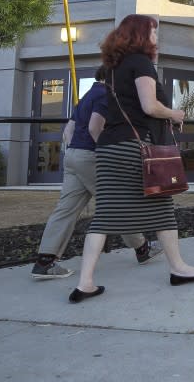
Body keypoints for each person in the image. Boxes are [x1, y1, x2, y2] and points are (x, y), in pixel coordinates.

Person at [68, 15, 194, 303]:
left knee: (104, 216)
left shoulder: (111, 69)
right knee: (162, 206)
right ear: (142, 34)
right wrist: (175, 114)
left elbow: (98, 122)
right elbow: (149, 106)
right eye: (154, 32)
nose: (157, 38)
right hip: (135, 147)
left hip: (108, 148)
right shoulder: (141, 63)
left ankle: (85, 283)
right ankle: (178, 268)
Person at [32, 66, 162, 279]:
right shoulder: (106, 94)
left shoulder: (87, 96)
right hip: (92, 157)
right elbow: (95, 128)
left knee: (65, 209)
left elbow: (68, 131)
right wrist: (107, 153)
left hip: (74, 156)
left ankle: (45, 261)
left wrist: (77, 152)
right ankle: (143, 249)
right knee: (117, 203)